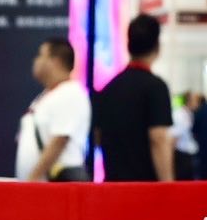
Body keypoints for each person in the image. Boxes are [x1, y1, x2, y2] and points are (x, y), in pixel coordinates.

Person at [92, 14, 174, 182]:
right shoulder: (156, 87)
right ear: (157, 46)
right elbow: (158, 138)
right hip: (145, 188)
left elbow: (98, 137)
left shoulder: (109, 88)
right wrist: (168, 185)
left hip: (114, 186)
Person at [14, 37, 92, 182]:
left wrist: (33, 179)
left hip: (54, 185)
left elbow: (59, 141)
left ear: (55, 61)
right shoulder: (48, 95)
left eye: (40, 55)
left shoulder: (70, 93)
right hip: (38, 186)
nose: (35, 61)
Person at [171, 92, 200, 180]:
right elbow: (174, 137)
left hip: (189, 154)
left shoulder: (190, 113)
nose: (198, 103)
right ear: (189, 101)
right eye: (196, 101)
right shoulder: (179, 115)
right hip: (181, 156)